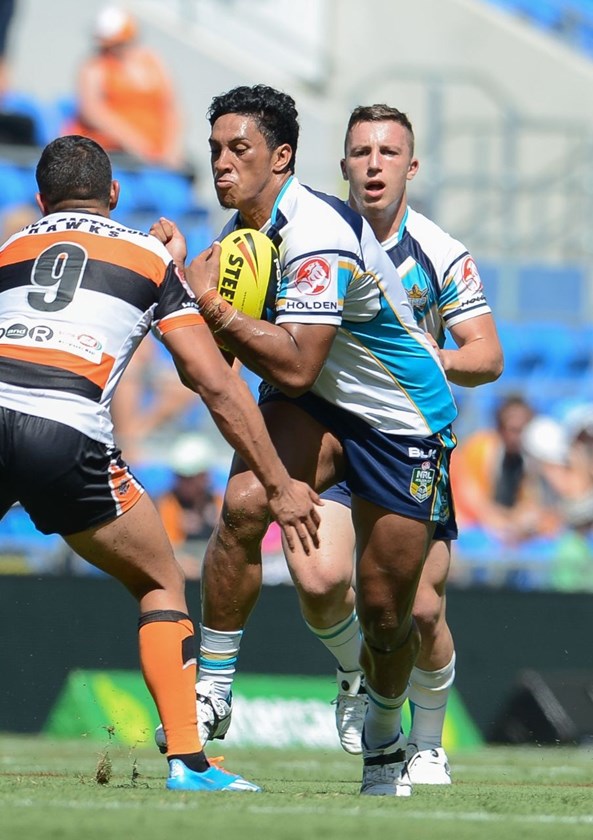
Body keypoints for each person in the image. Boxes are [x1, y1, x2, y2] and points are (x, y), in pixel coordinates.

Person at [151, 84, 460, 797]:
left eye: (240, 150)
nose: (222, 165)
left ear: (280, 156)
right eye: (215, 151)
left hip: (402, 418)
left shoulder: (316, 232)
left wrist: (209, 303)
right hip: (318, 405)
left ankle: (385, 739)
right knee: (243, 502)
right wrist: (178, 285)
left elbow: (293, 360)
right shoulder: (240, 239)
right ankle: (214, 689)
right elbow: (218, 368)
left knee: (388, 614)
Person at [0, 134, 320, 793]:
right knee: (159, 581)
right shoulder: (146, 255)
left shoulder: (10, 250)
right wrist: (278, 483)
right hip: (66, 431)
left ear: (40, 200)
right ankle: (189, 761)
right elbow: (214, 381)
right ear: (114, 195)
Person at [278, 104, 503, 784]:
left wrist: (435, 355)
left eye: (386, 152)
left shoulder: (438, 252)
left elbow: (487, 354)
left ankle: (425, 742)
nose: (372, 164)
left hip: (405, 436)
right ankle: (354, 672)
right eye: (359, 152)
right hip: (327, 428)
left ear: (410, 167)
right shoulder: (308, 236)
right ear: (342, 165)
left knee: (420, 608)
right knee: (319, 581)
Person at [66, 6, 184, 169]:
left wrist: (171, 149)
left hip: (157, 155)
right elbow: (93, 111)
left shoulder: (153, 62)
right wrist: (137, 145)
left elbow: (170, 107)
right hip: (113, 153)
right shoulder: (95, 66)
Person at [452, 394, 553, 542]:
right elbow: (472, 496)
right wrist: (499, 522)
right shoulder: (480, 447)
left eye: (523, 429)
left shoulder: (526, 455)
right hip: (471, 523)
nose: (518, 436)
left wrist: (519, 519)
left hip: (505, 522)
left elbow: (530, 498)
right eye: (513, 429)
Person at [157, 432, 223, 579]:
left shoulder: (219, 502)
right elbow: (166, 548)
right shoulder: (168, 503)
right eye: (179, 476)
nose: (183, 483)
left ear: (204, 476)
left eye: (189, 477)